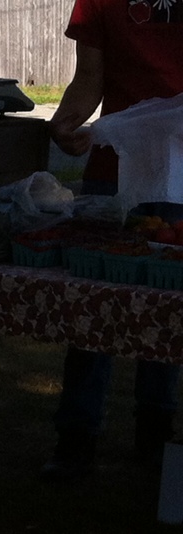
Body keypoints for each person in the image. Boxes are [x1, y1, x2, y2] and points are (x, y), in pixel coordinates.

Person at [40, 0, 183, 483]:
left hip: (182, 171)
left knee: (166, 306)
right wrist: (67, 121)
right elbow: (88, 76)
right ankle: (76, 438)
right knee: (93, 302)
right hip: (114, 166)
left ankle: (156, 437)